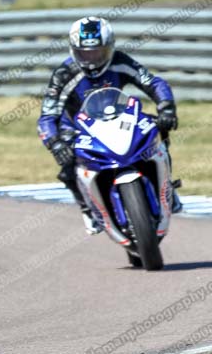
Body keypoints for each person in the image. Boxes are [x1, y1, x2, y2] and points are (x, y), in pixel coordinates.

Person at [37, 16, 181, 233]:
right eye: (85, 53)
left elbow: (153, 82)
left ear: (110, 48)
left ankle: (167, 187)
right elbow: (47, 116)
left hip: (120, 118)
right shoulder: (64, 75)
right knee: (68, 168)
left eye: (98, 52)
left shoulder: (121, 61)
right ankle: (88, 209)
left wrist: (166, 107)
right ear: (73, 50)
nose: (91, 60)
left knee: (155, 133)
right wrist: (55, 143)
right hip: (78, 129)